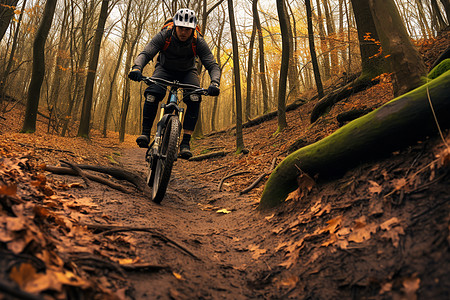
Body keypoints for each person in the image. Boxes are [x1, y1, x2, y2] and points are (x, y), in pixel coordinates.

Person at [128, 8, 221, 159]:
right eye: (181, 28)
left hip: (187, 72)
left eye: (188, 29)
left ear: (193, 30)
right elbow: (146, 53)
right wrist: (137, 68)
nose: (184, 32)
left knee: (195, 98)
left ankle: (185, 143)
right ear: (175, 26)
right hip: (164, 69)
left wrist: (215, 83)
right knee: (152, 94)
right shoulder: (164, 35)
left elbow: (212, 65)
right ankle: (145, 133)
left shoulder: (198, 41)